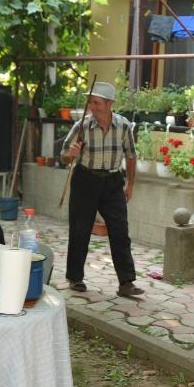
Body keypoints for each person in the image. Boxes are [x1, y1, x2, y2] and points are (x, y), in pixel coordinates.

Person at [60, 81, 144, 297]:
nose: (92, 107)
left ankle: (126, 283)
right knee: (80, 230)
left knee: (120, 231)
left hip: (113, 182)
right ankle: (75, 277)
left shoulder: (124, 126)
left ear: (109, 104)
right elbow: (64, 157)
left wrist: (131, 184)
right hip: (85, 180)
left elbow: (131, 155)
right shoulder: (81, 127)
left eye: (96, 103)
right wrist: (71, 153)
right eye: (91, 102)